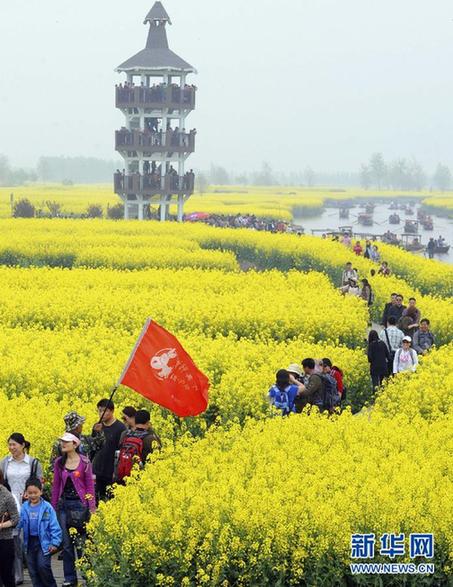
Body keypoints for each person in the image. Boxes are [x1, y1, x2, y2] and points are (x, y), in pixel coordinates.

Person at [51, 433, 96, 587]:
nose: (62, 444)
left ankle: (87, 576)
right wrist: (52, 508)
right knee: (67, 545)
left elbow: (90, 486)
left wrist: (92, 508)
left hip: (80, 506)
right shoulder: (59, 463)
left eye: (66, 442)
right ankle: (70, 578)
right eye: (62, 442)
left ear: (75, 444)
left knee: (82, 544)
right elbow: (56, 486)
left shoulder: (85, 462)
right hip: (63, 507)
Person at [0, 433, 43, 585]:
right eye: (9, 445)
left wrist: (31, 495)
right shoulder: (5, 462)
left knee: (27, 540)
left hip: (28, 504)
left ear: (23, 445)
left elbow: (39, 483)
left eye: (14, 445)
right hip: (9, 504)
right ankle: (16, 575)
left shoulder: (33, 463)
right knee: (13, 540)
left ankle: (34, 573)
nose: (12, 448)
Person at [20, 478, 61, 587]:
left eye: (35, 492)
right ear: (26, 494)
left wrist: (55, 542)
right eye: (30, 493)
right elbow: (19, 523)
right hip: (29, 542)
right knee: (32, 569)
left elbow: (54, 526)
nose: (33, 495)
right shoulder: (24, 508)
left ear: (41, 492)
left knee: (43, 566)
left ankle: (51, 585)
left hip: (44, 542)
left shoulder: (47, 508)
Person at [91, 399, 126, 501]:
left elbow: (121, 451)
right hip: (97, 470)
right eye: (99, 411)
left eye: (104, 411)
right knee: (97, 500)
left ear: (112, 411)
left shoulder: (120, 428)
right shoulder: (97, 426)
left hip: (111, 471)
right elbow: (93, 447)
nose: (101, 414)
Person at [115, 410, 162, 483]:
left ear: (135, 421)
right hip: (142, 479)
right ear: (147, 422)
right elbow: (158, 459)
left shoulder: (124, 435)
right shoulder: (151, 438)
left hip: (123, 476)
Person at [0, 469, 19, 587]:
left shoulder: (6, 495)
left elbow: (15, 519)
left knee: (7, 575)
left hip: (4, 539)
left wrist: (1, 525)